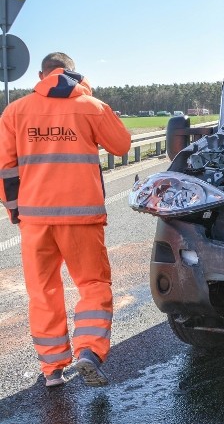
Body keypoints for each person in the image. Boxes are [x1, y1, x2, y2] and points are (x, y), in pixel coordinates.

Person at [0, 52, 131, 387]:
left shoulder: (16, 111)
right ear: (72, 74)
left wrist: (15, 210)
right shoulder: (91, 105)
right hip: (82, 217)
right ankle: (88, 351)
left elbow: (5, 169)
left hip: (35, 220)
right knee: (92, 285)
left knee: (43, 290)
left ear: (41, 74)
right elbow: (121, 144)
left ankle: (52, 370)